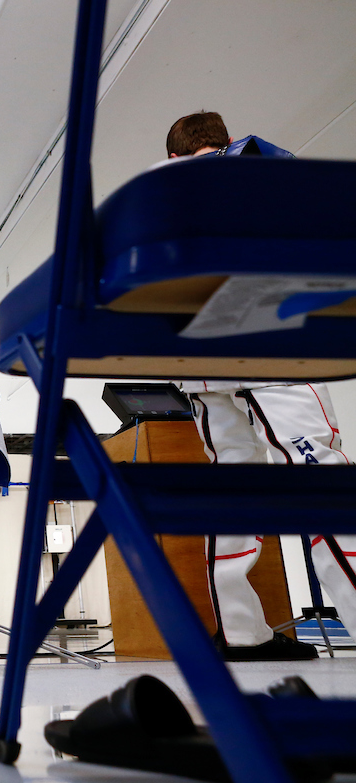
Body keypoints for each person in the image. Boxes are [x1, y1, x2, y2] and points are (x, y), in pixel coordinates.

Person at [166, 111, 356, 660]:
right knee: (320, 474)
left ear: (174, 157)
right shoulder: (249, 161)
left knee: (233, 486)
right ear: (220, 142)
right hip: (268, 346)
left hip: (195, 366)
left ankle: (242, 635)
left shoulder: (161, 200)